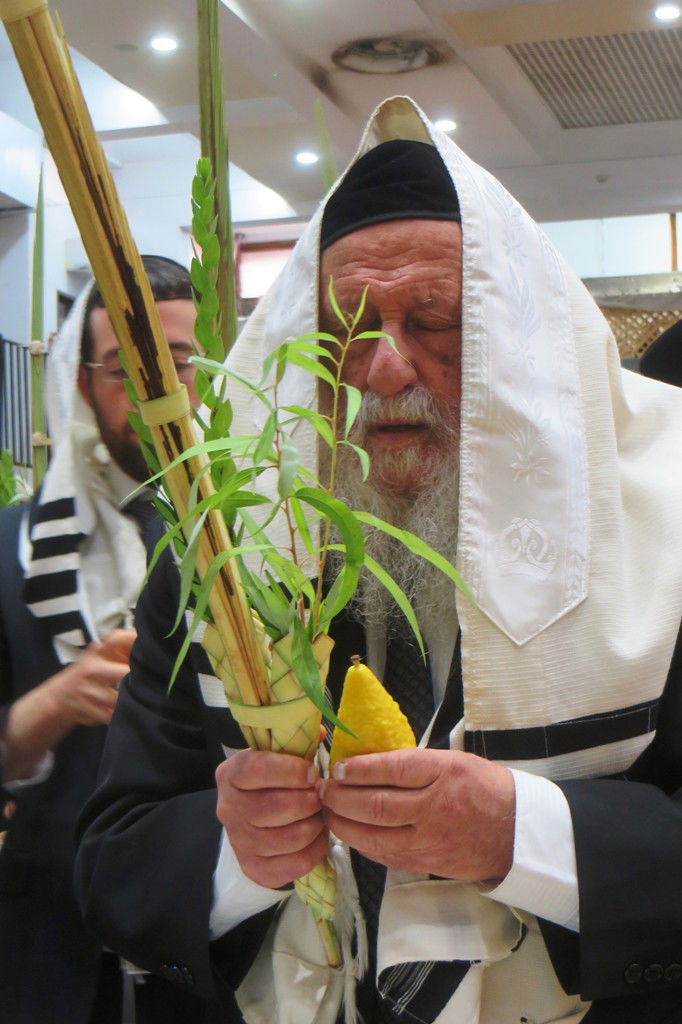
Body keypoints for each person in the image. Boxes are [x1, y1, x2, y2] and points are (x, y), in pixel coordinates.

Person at [75, 97, 682, 1024]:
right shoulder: (223, 548)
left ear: (518, 343)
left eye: (436, 321)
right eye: (346, 326)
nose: (386, 369)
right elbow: (111, 860)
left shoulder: (664, 517)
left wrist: (525, 836)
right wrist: (240, 854)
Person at [0, 255, 210, 1024]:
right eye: (128, 368)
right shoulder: (11, 551)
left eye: (179, 363)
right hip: (43, 953)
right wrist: (51, 706)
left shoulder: (250, 549)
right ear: (82, 381)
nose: (159, 393)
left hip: (204, 947)